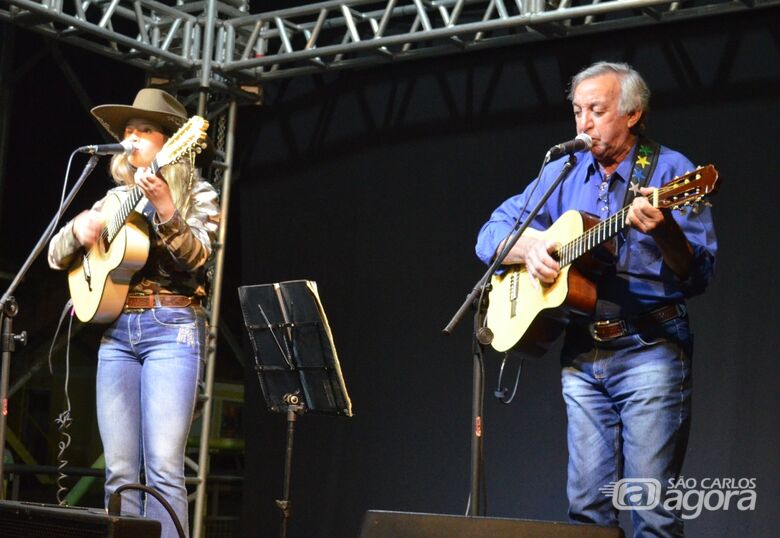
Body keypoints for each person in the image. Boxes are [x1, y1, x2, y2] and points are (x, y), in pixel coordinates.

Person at [476, 62, 716, 537]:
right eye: (578, 111)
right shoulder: (564, 170)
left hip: (651, 349)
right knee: (587, 512)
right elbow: (491, 234)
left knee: (652, 510)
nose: (584, 123)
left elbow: (698, 274)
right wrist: (534, 248)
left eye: (597, 110)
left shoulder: (673, 171)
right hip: (582, 355)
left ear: (632, 114)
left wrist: (665, 229)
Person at [48, 88, 220, 538]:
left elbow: (198, 258)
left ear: (170, 142)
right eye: (128, 130)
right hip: (117, 333)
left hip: (171, 329)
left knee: (163, 468)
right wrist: (77, 232)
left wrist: (165, 207)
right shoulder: (113, 198)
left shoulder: (197, 194)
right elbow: (54, 255)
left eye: (145, 129)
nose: (133, 136)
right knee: (120, 471)